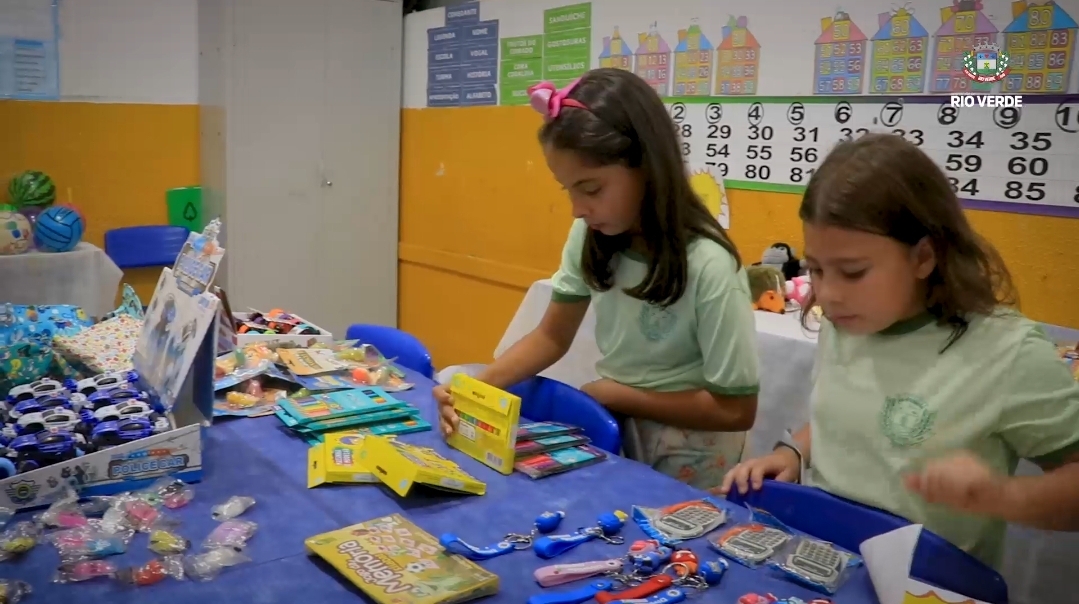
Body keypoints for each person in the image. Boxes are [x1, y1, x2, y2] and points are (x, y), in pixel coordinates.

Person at [719, 133, 1079, 569]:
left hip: (929, 585)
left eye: (853, 272)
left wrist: (1002, 496)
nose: (828, 295)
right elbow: (859, 414)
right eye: (817, 269)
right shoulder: (846, 322)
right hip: (827, 566)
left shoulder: (1009, 352)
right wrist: (792, 453)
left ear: (924, 257)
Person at [435, 68, 760, 489]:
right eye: (567, 190)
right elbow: (551, 336)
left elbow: (737, 410)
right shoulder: (592, 235)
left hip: (693, 453)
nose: (577, 209)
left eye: (591, 189)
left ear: (646, 167)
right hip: (619, 425)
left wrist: (614, 394)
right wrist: (473, 388)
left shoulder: (710, 265)